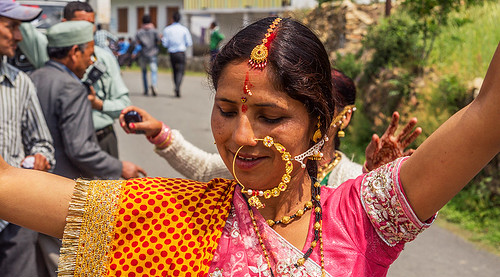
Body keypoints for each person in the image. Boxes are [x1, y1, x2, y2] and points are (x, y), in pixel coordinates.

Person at [0, 17, 499, 277]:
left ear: (318, 123)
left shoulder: (365, 217)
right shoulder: (165, 215)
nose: (239, 136)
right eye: (225, 109)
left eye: (270, 116)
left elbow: (489, 113)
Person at [120, 68, 420, 188]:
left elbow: (370, 225)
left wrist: (380, 182)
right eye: (226, 111)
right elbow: (205, 169)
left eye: (326, 108)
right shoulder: (268, 163)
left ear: (345, 117)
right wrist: (159, 132)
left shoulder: (350, 179)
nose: (242, 136)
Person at [0, 2, 56, 277]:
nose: (19, 37)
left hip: (14, 221)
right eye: (10, 27)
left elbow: (42, 142)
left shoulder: (20, 83)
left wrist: (38, 157)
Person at [19, 1, 133, 159]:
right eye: (81, 24)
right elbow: (22, 27)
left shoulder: (104, 57)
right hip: (61, 143)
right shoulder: (48, 50)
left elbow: (124, 105)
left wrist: (98, 104)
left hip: (101, 138)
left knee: (108, 183)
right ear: (64, 24)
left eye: (91, 24)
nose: (89, 29)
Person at [161, 11, 192, 97]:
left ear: (172, 19)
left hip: (172, 53)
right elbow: (189, 42)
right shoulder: (184, 29)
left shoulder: (167, 29)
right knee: (181, 71)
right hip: (181, 52)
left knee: (174, 71)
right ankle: (178, 86)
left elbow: (165, 44)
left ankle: (176, 86)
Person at [136, 14, 160, 96]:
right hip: (153, 53)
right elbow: (158, 41)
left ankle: (146, 89)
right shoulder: (154, 31)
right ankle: (154, 85)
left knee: (144, 72)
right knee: (154, 71)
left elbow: (137, 42)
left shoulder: (139, 32)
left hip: (143, 54)